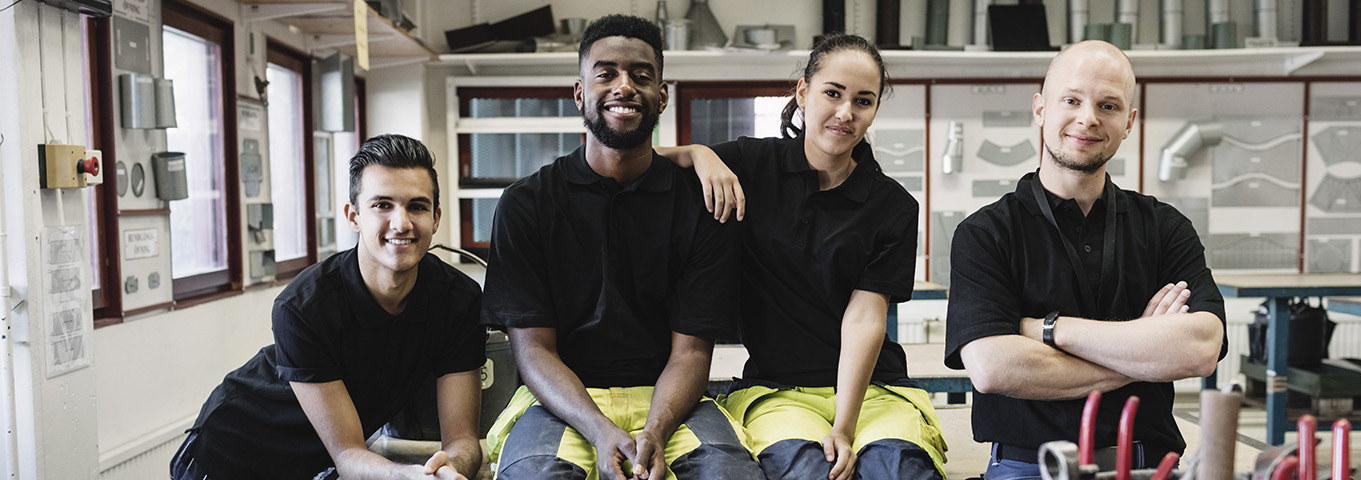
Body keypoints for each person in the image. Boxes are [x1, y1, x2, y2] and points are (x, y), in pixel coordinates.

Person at [480, 14, 762, 480]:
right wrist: (597, 428)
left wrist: (656, 429)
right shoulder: (527, 203)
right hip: (564, 399)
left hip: (668, 396)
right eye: (606, 73)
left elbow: (691, 353)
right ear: (579, 93)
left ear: (662, 96)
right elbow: (532, 352)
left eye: (641, 75)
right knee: (534, 475)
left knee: (730, 474)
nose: (624, 86)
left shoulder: (700, 206)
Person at [658, 34, 947, 480]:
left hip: (875, 391)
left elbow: (865, 319)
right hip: (778, 390)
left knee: (901, 472)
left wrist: (844, 427)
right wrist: (699, 154)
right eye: (832, 93)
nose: (845, 113)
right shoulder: (750, 164)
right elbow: (636, 159)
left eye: (863, 101)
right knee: (805, 471)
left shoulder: (892, 206)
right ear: (803, 92)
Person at [944, 40, 1227, 480]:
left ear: (1129, 122)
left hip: (1146, 462)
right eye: (1072, 100)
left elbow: (1202, 348)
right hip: (1026, 467)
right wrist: (1145, 354)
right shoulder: (985, 233)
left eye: (1108, 105)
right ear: (1041, 108)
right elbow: (993, 366)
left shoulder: (1164, 227)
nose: (1089, 118)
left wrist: (1047, 329)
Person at [171, 134, 487, 480]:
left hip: (314, 465)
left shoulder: (459, 300)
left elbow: (462, 439)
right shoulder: (305, 306)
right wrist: (410, 477)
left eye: (417, 206)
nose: (402, 223)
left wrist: (452, 469)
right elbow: (349, 455)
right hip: (233, 452)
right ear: (354, 217)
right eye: (382, 205)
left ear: (436, 217)